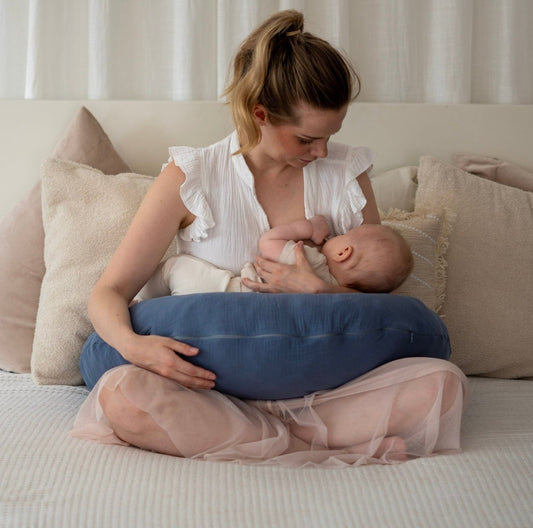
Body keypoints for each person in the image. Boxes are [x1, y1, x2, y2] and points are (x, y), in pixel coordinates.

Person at [71, 9, 468, 466]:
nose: (320, 152)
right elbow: (109, 292)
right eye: (306, 139)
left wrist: (323, 291)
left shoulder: (346, 174)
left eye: (329, 136)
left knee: (443, 384)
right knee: (122, 395)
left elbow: (375, 299)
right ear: (260, 114)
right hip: (206, 391)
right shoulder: (192, 176)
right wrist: (136, 347)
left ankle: (271, 435)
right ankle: (311, 445)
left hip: (324, 392)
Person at [137, 215, 414, 297]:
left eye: (344, 234)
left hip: (226, 291)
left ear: (343, 252)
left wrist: (307, 229)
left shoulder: (311, 260)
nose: (334, 237)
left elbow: (268, 242)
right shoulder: (339, 301)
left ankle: (140, 303)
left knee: (173, 268)